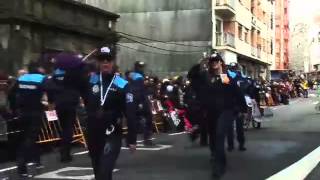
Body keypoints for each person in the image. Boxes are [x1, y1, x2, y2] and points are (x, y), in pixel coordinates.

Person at [83, 46, 137, 180]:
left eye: (109, 59)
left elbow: (130, 113)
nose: (105, 62)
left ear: (113, 62)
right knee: (99, 172)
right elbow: (71, 77)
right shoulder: (90, 80)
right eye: (102, 60)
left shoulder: (122, 85)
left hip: (111, 134)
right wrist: (84, 60)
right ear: (98, 62)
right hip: (93, 134)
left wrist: (132, 138)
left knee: (104, 172)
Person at [198, 52, 247, 178]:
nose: (214, 63)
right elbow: (201, 95)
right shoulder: (207, 78)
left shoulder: (225, 77)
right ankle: (218, 158)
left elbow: (237, 93)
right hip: (211, 113)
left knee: (220, 135)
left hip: (225, 111)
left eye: (216, 60)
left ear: (220, 62)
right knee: (213, 139)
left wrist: (243, 109)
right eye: (212, 61)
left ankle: (218, 167)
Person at [48, 53, 86, 163]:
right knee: (68, 128)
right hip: (71, 102)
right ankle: (65, 153)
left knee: (63, 128)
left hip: (59, 103)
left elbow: (51, 87)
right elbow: (81, 85)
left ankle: (63, 149)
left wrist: (51, 101)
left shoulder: (56, 74)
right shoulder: (74, 73)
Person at [13, 62, 47, 177]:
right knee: (31, 138)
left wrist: (16, 108)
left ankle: (36, 160)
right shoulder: (41, 78)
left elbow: (11, 94)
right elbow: (51, 91)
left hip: (22, 112)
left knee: (26, 137)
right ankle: (22, 165)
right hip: (35, 112)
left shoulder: (21, 78)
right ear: (38, 69)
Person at [127, 61, 154, 146]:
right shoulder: (137, 77)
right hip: (138, 99)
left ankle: (131, 140)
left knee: (135, 120)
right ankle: (145, 139)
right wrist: (140, 102)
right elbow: (138, 90)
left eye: (142, 67)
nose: (142, 68)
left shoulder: (135, 76)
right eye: (140, 66)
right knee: (146, 117)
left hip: (134, 99)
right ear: (137, 67)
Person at [226, 62, 248, 151]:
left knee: (235, 127)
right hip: (232, 105)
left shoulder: (228, 78)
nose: (233, 69)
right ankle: (237, 145)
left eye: (233, 68)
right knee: (234, 127)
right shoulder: (227, 78)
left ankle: (234, 145)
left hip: (234, 105)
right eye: (233, 68)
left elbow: (243, 92)